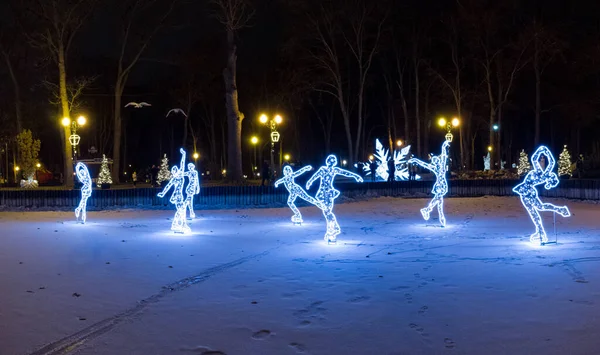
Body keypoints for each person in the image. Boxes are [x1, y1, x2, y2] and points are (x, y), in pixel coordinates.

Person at [513, 146, 570, 244]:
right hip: (527, 191)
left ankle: (541, 231)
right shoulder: (542, 174)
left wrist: (543, 151)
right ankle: (542, 229)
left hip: (527, 191)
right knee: (538, 209)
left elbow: (542, 160)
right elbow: (546, 161)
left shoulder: (542, 174)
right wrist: (544, 150)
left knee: (536, 210)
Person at [306, 155, 363, 243]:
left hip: (328, 193)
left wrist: (356, 176)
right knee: (327, 212)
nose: (330, 163)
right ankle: (332, 231)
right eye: (330, 161)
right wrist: (309, 182)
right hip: (323, 193)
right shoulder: (323, 169)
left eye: (332, 161)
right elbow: (315, 176)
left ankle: (332, 232)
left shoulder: (333, 170)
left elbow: (345, 172)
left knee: (327, 212)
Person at [409, 140, 450, 227]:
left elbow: (443, 156)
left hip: (440, 185)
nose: (437, 161)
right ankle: (434, 214)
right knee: (439, 201)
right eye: (435, 160)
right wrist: (416, 160)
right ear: (435, 162)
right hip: (440, 186)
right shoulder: (437, 167)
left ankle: (428, 210)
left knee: (439, 201)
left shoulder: (439, 166)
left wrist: (444, 146)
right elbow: (424, 164)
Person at [157, 149, 190, 233]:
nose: (175, 172)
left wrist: (183, 155)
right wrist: (162, 193)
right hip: (177, 196)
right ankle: (182, 225)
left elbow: (182, 164)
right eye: (173, 171)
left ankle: (176, 224)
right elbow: (168, 186)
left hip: (180, 196)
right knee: (181, 210)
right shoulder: (174, 179)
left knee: (180, 210)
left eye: (175, 171)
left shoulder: (180, 176)